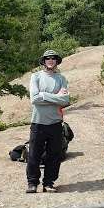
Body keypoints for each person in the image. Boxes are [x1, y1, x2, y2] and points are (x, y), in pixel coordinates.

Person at [27, 49, 70, 193]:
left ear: (57, 61)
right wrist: (53, 97)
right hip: (38, 122)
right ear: (43, 61)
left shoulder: (61, 78)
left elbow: (65, 100)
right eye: (47, 58)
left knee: (54, 155)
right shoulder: (36, 76)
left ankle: (49, 183)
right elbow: (34, 99)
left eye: (53, 58)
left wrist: (43, 96)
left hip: (56, 122)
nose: (50, 60)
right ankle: (32, 183)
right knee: (34, 154)